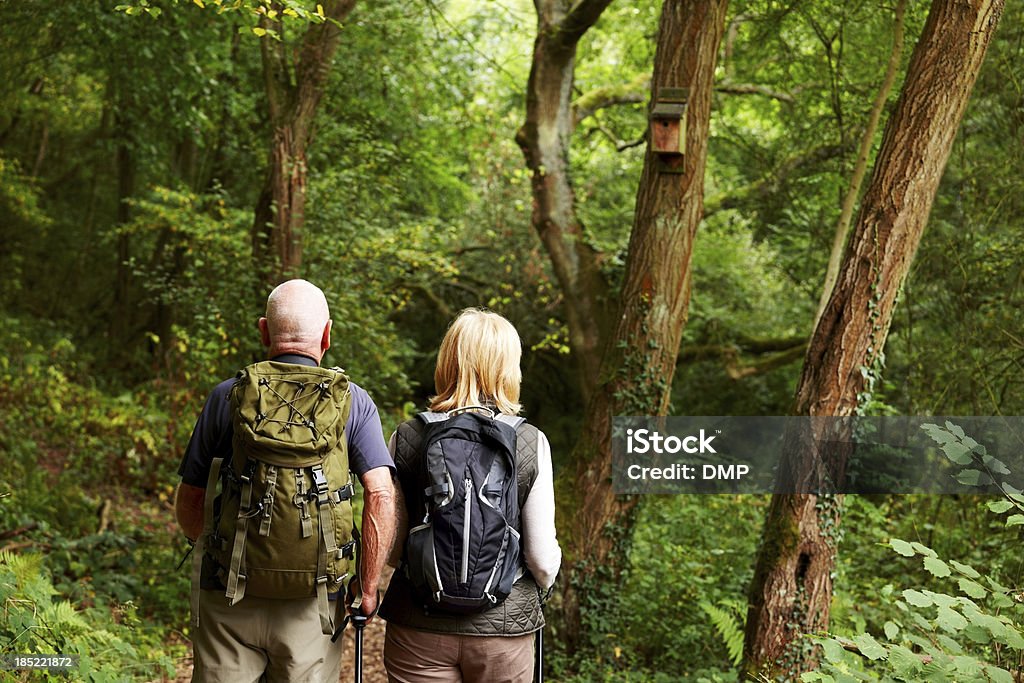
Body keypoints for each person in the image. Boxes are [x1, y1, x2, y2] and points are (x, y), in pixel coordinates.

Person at [174, 279, 397, 683]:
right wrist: (367, 586)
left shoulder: (227, 396)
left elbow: (191, 499)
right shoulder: (354, 403)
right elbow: (380, 494)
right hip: (314, 606)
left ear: (264, 331)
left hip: (229, 597)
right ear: (328, 334)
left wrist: (221, 549)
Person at [379, 308, 561, 683]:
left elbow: (394, 549)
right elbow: (541, 559)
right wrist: (542, 583)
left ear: (448, 362)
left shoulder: (407, 437)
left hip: (419, 625)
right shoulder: (529, 442)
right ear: (509, 368)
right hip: (503, 633)